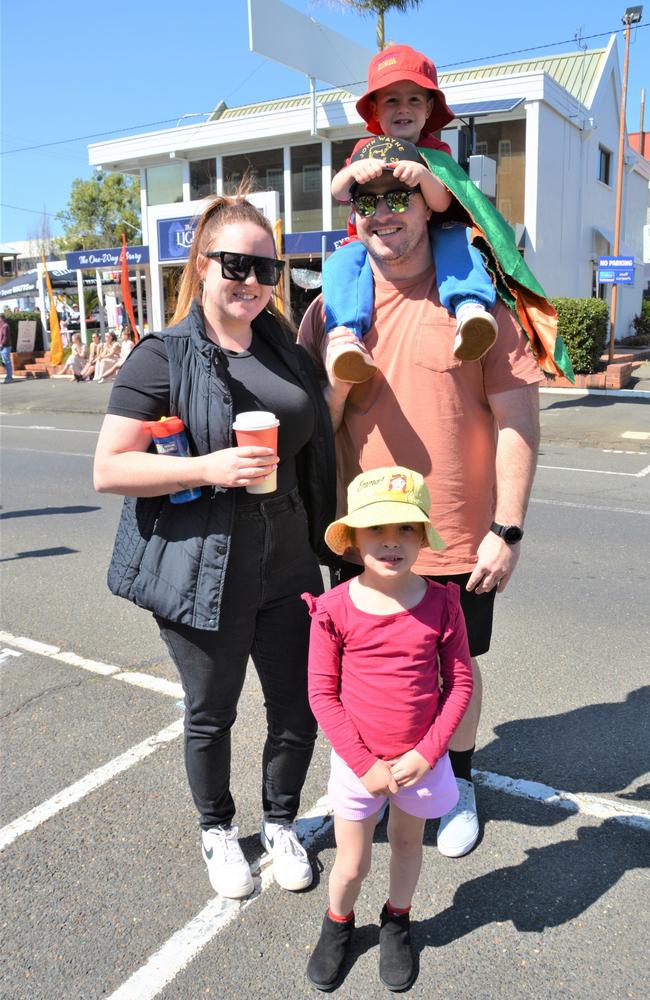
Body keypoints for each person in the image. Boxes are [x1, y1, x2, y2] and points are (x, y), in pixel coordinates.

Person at [299, 153, 542, 860]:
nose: (385, 213)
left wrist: (508, 528)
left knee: (454, 672)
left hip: (459, 534)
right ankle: (359, 780)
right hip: (359, 540)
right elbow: (308, 419)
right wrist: (341, 384)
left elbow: (518, 421)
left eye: (400, 198)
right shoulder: (329, 307)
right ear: (355, 213)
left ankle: (458, 782)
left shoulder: (476, 301)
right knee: (356, 671)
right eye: (370, 200)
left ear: (428, 206)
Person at [93, 193, 337, 900]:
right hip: (204, 563)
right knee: (213, 710)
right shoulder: (160, 356)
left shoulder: (283, 349)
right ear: (202, 264)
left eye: (266, 266)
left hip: (289, 557)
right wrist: (204, 467)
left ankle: (283, 821)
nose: (252, 279)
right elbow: (110, 468)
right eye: (236, 263)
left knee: (298, 706)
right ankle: (218, 829)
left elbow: (317, 439)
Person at [303, 467, 473, 992]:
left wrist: (428, 753)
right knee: (351, 864)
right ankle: (338, 923)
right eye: (377, 530)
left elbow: (460, 683)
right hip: (361, 764)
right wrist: (363, 764)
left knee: (406, 846)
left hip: (420, 759)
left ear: (423, 537)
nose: (391, 542)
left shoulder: (444, 603)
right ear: (353, 538)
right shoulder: (333, 610)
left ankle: (397, 919)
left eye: (405, 529)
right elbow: (321, 696)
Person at [325, 44, 498, 382]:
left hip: (435, 235)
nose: (403, 109)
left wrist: (423, 176)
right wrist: (352, 174)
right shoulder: (364, 150)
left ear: (430, 106)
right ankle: (345, 335)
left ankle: (469, 310)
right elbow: (339, 192)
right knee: (340, 265)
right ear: (375, 108)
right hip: (370, 245)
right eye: (391, 100)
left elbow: (444, 204)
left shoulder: (438, 151)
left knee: (460, 244)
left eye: (414, 99)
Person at [0, 311, 13, 383]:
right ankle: (8, 375)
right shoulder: (1, 326)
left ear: (2, 318)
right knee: (5, 361)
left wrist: (1, 344)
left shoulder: (5, 326)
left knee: (7, 361)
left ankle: (9, 376)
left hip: (5, 346)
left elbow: (5, 336)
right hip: (3, 346)